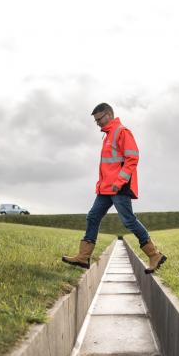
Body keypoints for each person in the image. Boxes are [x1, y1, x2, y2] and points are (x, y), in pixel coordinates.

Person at [62, 103, 167, 274]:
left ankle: (154, 254)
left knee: (128, 220)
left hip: (118, 187)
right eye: (96, 121)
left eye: (99, 119)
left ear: (109, 115)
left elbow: (132, 158)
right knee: (93, 216)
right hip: (105, 189)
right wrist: (101, 185)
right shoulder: (108, 135)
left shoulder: (121, 132)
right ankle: (83, 256)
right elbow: (108, 165)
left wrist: (119, 181)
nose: (98, 123)